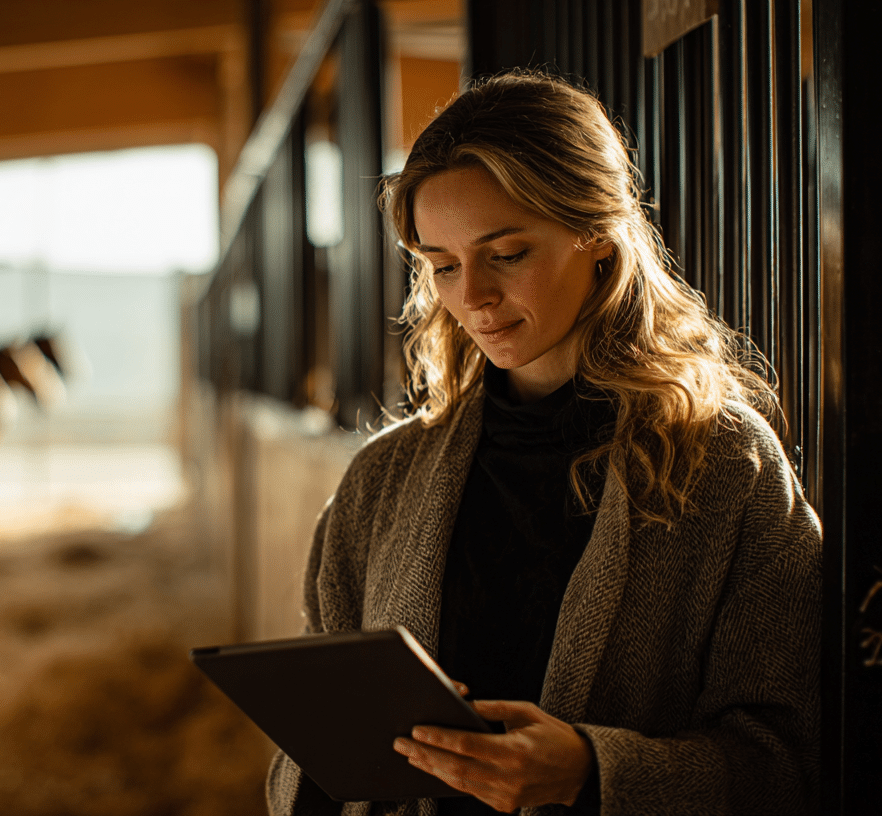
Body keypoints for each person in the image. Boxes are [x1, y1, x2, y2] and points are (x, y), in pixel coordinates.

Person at [266, 69, 820, 816]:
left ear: (595, 231)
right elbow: (304, 752)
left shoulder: (726, 465)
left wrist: (593, 774)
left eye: (508, 252)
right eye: (443, 265)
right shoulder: (381, 479)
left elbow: (787, 758)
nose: (473, 298)